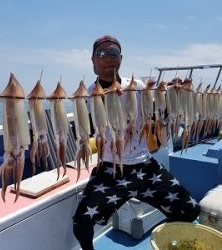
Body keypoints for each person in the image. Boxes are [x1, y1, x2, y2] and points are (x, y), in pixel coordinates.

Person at [72, 35, 200, 250]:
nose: (108, 58)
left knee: (190, 210)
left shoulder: (138, 87)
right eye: (102, 54)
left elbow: (158, 114)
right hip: (111, 170)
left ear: (120, 59)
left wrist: (171, 94)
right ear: (93, 60)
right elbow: (85, 132)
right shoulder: (86, 96)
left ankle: (171, 242)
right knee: (81, 223)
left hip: (145, 166)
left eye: (113, 53)